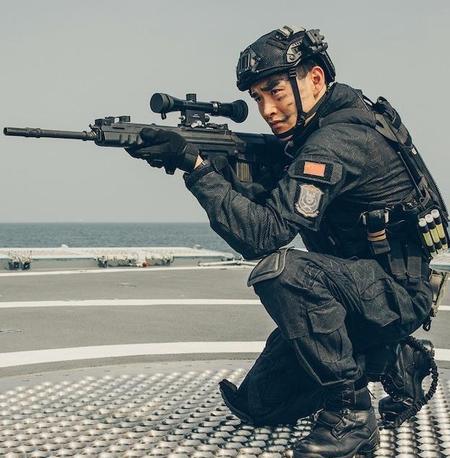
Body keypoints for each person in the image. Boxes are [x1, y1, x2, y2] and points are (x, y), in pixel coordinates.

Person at [127, 26, 445, 457]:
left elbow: (263, 235)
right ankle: (394, 358)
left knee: (283, 272)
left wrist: (198, 169)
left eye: (275, 91)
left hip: (394, 294)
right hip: (356, 290)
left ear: (315, 78)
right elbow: (273, 200)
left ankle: (351, 414)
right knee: (260, 404)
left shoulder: (338, 139)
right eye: (257, 98)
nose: (267, 109)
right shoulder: (313, 133)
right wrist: (216, 164)